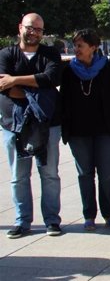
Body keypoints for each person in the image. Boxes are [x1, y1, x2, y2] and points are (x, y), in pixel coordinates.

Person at [0, 13, 63, 238]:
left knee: (49, 174)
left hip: (48, 124)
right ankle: (22, 221)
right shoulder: (6, 54)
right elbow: (3, 86)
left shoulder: (50, 53)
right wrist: (35, 87)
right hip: (13, 125)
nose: (33, 32)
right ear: (20, 28)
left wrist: (16, 80)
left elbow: (52, 79)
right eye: (30, 28)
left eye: (38, 29)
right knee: (19, 175)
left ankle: (52, 221)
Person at [61, 29, 110, 231]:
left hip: (105, 130)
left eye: (80, 45)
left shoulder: (108, 69)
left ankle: (108, 213)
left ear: (93, 47)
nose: (76, 49)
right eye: (75, 45)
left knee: (106, 173)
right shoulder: (69, 71)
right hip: (78, 132)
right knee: (85, 174)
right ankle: (89, 215)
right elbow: (64, 102)